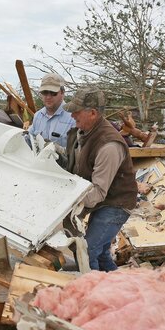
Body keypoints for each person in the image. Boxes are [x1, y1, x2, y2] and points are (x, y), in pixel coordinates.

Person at [63, 87, 138, 271]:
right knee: (102, 252)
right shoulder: (85, 133)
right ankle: (116, 286)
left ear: (93, 113)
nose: (72, 115)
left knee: (87, 251)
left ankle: (96, 294)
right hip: (104, 200)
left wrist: (66, 198)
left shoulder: (108, 145)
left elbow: (97, 192)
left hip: (116, 204)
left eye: (77, 112)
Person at [27, 73, 75, 148]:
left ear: (62, 93)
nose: (48, 97)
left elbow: (78, 151)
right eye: (45, 92)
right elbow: (28, 139)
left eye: (53, 93)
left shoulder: (74, 118)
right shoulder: (38, 116)